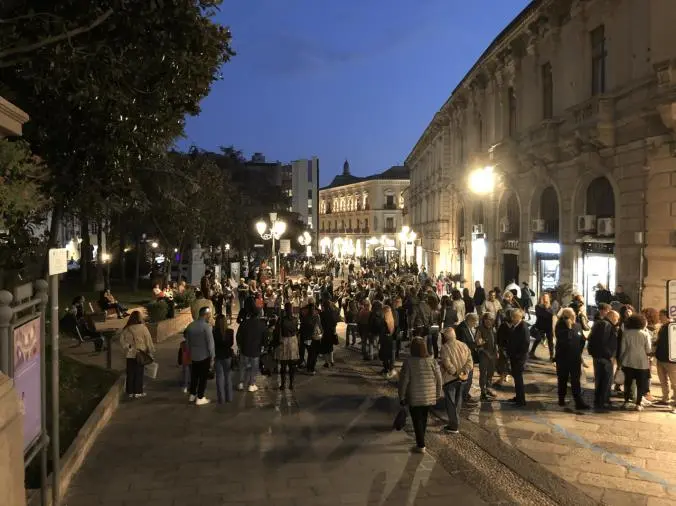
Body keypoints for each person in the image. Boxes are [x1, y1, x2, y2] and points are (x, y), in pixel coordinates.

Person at [398, 337, 443, 453]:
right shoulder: (432, 361)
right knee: (423, 418)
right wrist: (437, 394)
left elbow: (404, 381)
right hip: (429, 396)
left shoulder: (409, 362)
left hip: (414, 396)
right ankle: (421, 441)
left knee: (417, 419)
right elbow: (439, 380)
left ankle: (421, 445)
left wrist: (402, 396)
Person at [554, 308, 590, 410]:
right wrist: (569, 329)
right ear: (564, 317)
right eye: (569, 316)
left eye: (573, 315)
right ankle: (561, 399)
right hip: (563, 358)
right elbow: (564, 342)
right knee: (562, 379)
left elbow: (581, 339)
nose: (573, 317)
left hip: (575, 358)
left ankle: (578, 401)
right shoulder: (560, 327)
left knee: (576, 380)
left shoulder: (577, 325)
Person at [439, 327, 473, 434]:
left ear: (445, 337)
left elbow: (447, 363)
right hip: (463, 378)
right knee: (458, 401)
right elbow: (470, 361)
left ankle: (453, 426)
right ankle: (455, 420)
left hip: (450, 379)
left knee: (450, 402)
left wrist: (455, 372)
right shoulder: (464, 345)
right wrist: (464, 372)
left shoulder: (445, 347)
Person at [619, 314, 653, 411]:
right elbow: (648, 349)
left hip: (628, 361)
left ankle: (626, 402)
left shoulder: (626, 333)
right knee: (640, 384)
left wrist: (620, 360)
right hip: (642, 362)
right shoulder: (645, 334)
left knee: (628, 383)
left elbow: (622, 348)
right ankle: (638, 404)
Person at [587, 309, 619, 411]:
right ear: (613, 317)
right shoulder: (606, 325)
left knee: (600, 380)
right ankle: (602, 403)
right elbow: (602, 342)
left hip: (598, 356)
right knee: (605, 381)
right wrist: (609, 355)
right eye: (617, 318)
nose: (617, 320)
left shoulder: (600, 323)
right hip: (604, 357)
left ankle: (600, 401)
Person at [184, 306, 215, 405]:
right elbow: (210, 344)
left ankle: (192, 394)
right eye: (209, 314)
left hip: (193, 355)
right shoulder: (207, 327)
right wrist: (212, 357)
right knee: (203, 377)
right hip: (204, 355)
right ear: (205, 315)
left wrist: (190, 353)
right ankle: (200, 397)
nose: (210, 316)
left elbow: (187, 343)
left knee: (194, 375)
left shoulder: (190, 326)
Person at [119, 311, 154, 399]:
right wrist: (150, 351)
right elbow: (148, 340)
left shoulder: (127, 328)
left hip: (130, 354)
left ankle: (130, 392)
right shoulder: (143, 328)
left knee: (130, 373)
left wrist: (128, 346)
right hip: (140, 353)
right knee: (139, 372)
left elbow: (122, 341)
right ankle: (138, 392)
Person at [503, 309, 530, 407]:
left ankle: (521, 400)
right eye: (511, 316)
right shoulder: (516, 326)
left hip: (519, 358)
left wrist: (518, 356)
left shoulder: (523, 327)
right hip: (514, 357)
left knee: (519, 379)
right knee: (517, 379)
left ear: (519, 317)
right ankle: (518, 397)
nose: (512, 318)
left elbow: (526, 344)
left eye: (514, 317)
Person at [455, 313, 479, 405]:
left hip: (468, 356)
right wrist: (476, 344)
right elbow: (463, 345)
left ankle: (464, 395)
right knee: (466, 377)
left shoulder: (466, 326)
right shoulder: (462, 329)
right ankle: (463, 397)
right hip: (464, 358)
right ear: (470, 320)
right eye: (475, 322)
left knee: (468, 377)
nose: (475, 324)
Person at [274, 302, 300, 390]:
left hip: (284, 342)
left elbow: (276, 332)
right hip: (293, 342)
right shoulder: (295, 319)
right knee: (292, 365)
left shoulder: (281, 320)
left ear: (284, 309)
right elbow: (296, 330)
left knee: (283, 365)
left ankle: (283, 384)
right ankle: (291, 384)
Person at [654, 310, 676, 411]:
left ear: (666, 316)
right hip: (661, 357)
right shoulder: (662, 327)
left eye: (661, 315)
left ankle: (675, 400)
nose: (659, 317)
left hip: (671, 360)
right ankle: (665, 398)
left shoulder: (673, 326)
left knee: (674, 382)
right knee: (663, 380)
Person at [475, 312, 498, 401]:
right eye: (488, 319)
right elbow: (478, 343)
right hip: (484, 355)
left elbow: (495, 341)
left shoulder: (493, 328)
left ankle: (488, 388)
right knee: (483, 374)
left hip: (493, 355)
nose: (490, 321)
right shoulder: (480, 329)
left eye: (491, 319)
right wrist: (483, 342)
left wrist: (496, 351)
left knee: (490, 373)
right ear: (484, 320)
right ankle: (482, 392)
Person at [213, 313, 234, 403]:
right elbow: (231, 344)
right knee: (228, 377)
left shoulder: (214, 332)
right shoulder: (230, 332)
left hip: (218, 356)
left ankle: (221, 398)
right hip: (227, 356)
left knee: (219, 378)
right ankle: (229, 397)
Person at [531, 293, 555, 361]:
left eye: (546, 297)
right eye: (544, 297)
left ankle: (551, 356)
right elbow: (541, 315)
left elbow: (552, 316)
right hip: (540, 326)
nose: (545, 299)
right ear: (541, 298)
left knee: (550, 341)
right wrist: (545, 307)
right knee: (538, 339)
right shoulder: (538, 307)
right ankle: (531, 352)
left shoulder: (551, 307)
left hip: (549, 327)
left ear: (549, 299)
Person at [302, 301, 323, 374]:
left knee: (315, 353)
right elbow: (304, 328)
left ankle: (311, 367)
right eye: (311, 309)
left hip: (317, 337)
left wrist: (321, 332)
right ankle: (310, 368)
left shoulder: (316, 316)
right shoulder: (306, 318)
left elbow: (320, 326)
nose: (313, 310)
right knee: (311, 353)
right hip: (309, 338)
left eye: (314, 308)